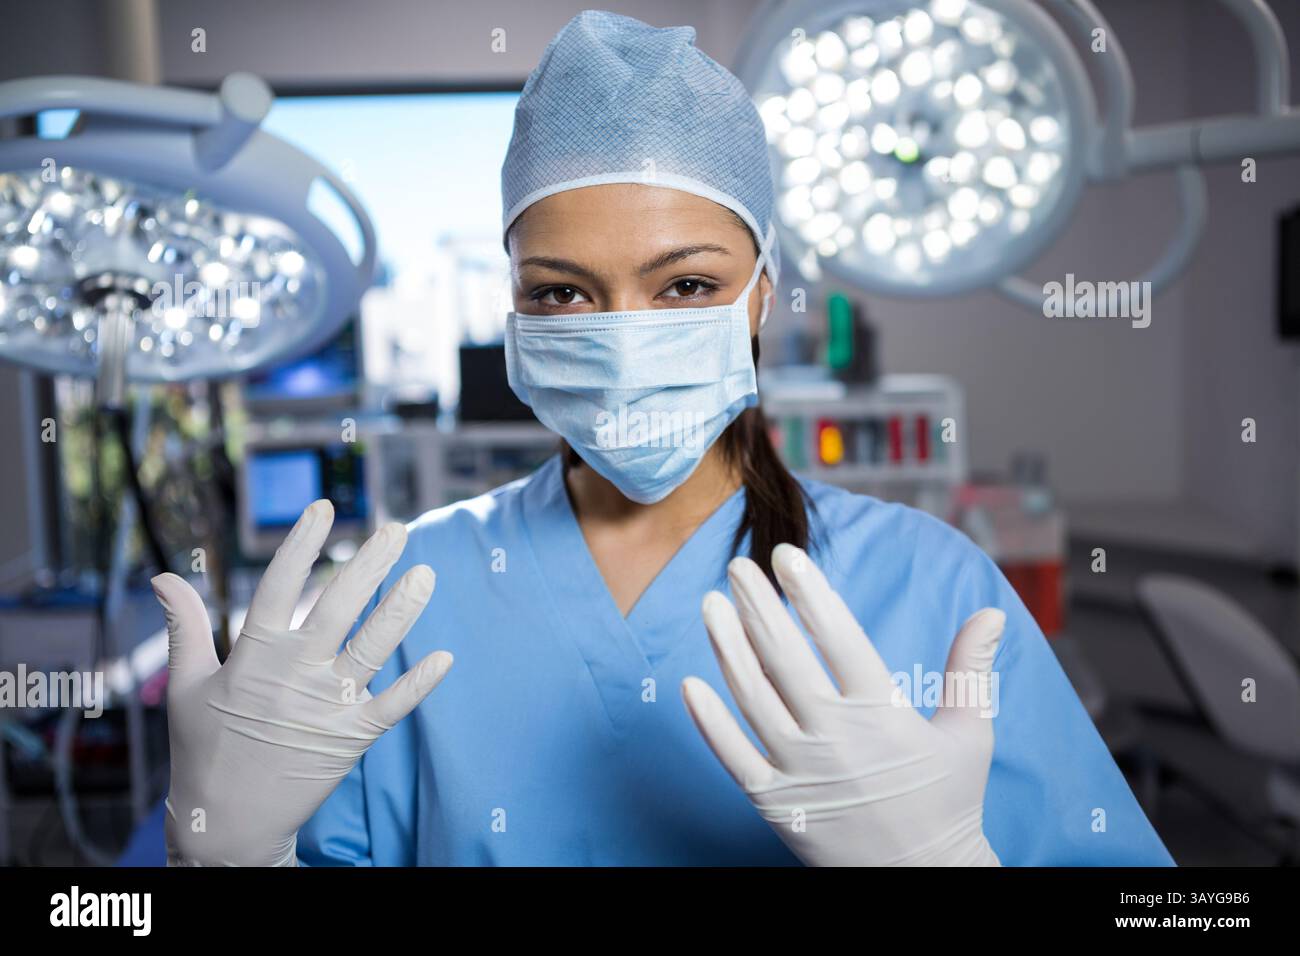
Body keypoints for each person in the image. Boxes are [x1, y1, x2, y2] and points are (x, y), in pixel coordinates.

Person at [154, 9, 1174, 866]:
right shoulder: (405, 598)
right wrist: (230, 854)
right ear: (512, 314)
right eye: (563, 292)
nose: (627, 335)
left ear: (761, 296)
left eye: (684, 284)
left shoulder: (930, 589)